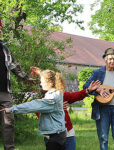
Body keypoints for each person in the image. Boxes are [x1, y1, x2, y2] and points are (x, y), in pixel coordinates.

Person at [30, 67, 101, 150]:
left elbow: (76, 95)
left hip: (68, 134)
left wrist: (88, 90)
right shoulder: (41, 101)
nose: (41, 85)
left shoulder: (61, 95)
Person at [1, 70, 66, 150]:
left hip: (56, 137)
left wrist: (12, 109)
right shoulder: (56, 93)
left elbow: (32, 105)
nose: (40, 84)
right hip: (58, 134)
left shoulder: (52, 98)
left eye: (42, 82)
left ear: (50, 83)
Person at [83, 48, 114, 150]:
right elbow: (86, 86)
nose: (112, 61)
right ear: (105, 59)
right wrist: (98, 90)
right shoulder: (98, 73)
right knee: (103, 138)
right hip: (102, 110)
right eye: (110, 59)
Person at [0, 18, 34, 150]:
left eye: (0, 28)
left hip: (5, 92)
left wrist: (26, 78)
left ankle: (10, 148)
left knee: (9, 122)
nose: (0, 30)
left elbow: (14, 66)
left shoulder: (4, 49)